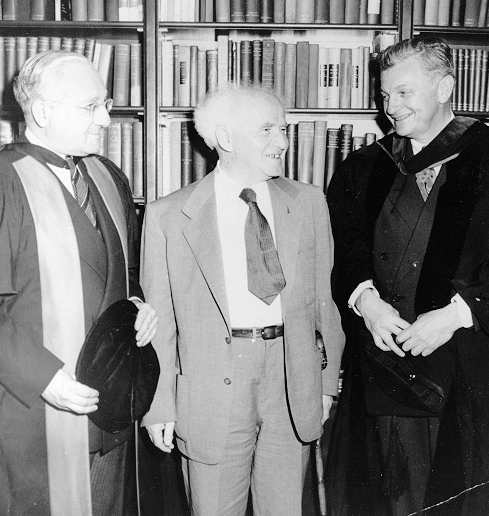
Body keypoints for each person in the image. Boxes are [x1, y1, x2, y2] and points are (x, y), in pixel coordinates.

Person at [327, 36, 489, 516]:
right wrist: (364, 299)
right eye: (384, 95)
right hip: (381, 369)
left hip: (466, 372)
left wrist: (459, 313)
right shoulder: (364, 166)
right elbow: (342, 247)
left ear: (445, 88)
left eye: (403, 93)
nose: (389, 107)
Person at [0, 50, 159, 516]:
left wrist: (139, 306)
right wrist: (47, 379)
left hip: (109, 412)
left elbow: (122, 276)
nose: (106, 118)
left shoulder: (106, 177)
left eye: (107, 103)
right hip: (34, 415)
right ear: (41, 111)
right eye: (90, 106)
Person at [140, 85, 345, 515]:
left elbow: (324, 302)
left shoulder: (309, 203)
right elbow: (161, 323)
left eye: (284, 129)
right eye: (268, 130)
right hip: (212, 386)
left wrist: (325, 384)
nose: (283, 142)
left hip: (291, 380)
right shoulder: (167, 216)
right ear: (226, 139)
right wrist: (159, 404)